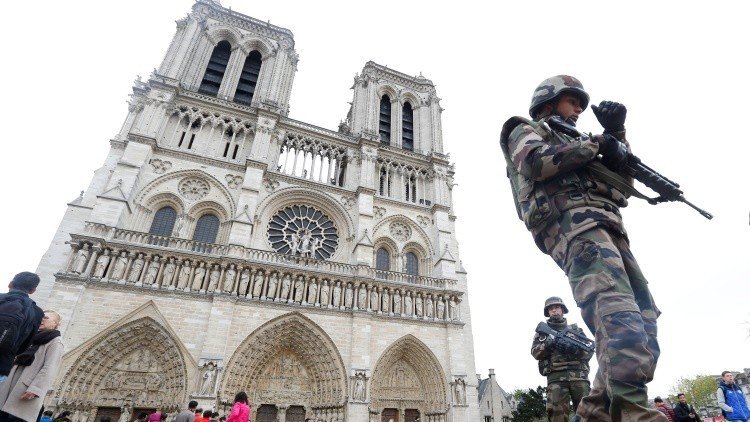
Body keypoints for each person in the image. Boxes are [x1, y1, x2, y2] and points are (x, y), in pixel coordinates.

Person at [500, 75, 666, 421]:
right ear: (549, 102)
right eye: (573, 101)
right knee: (619, 319)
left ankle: (593, 414)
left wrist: (618, 138)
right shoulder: (525, 129)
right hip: (576, 229)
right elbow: (536, 162)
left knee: (645, 323)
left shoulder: (575, 139)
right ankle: (634, 412)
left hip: (610, 231)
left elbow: (622, 188)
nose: (579, 110)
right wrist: (596, 144)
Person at [531, 297, 593, 422]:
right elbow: (535, 353)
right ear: (547, 312)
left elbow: (589, 352)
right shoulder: (542, 334)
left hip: (579, 376)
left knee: (587, 414)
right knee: (556, 416)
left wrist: (575, 349)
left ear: (563, 310)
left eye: (557, 307)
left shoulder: (576, 331)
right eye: (551, 308)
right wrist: (549, 344)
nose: (554, 311)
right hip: (556, 378)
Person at [0, 310, 64, 422]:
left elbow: (50, 368)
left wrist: (36, 389)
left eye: (46, 318)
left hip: (26, 389)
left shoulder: (56, 342)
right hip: (9, 384)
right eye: (41, 317)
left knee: (15, 417)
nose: (42, 319)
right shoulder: (32, 337)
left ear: (55, 324)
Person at [0, 272, 46, 383]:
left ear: (10, 284)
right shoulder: (37, 312)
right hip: (2, 365)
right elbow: (24, 346)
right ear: (32, 290)